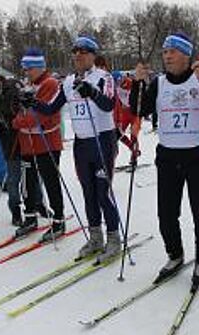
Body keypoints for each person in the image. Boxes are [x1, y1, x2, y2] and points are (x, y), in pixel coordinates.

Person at [131, 32, 199, 286]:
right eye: (164, 52)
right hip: (167, 156)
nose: (167, 56)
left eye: (172, 52)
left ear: (186, 54)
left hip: (198, 155)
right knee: (166, 213)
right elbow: (139, 110)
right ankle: (175, 255)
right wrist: (137, 84)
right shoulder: (160, 83)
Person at [32, 35, 121, 261]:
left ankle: (113, 238)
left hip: (102, 140)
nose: (78, 55)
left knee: (103, 193)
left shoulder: (104, 77)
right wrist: (31, 103)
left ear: (93, 55)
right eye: (75, 52)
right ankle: (95, 237)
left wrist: (91, 91)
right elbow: (52, 108)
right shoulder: (69, 81)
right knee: (88, 192)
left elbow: (109, 104)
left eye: (83, 52)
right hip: (82, 144)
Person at [0, 59, 47, 227]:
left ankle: (38, 203)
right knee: (13, 179)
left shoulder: (13, 85)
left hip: (27, 138)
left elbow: (21, 108)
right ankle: (15, 210)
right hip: (9, 142)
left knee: (33, 176)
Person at [12, 48, 65, 241]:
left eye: (30, 68)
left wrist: (19, 121)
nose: (26, 72)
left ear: (40, 67)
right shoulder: (27, 85)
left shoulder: (49, 83)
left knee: (50, 181)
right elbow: (19, 113)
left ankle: (59, 219)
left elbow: (41, 116)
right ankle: (30, 216)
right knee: (28, 181)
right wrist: (19, 120)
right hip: (27, 142)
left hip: (47, 143)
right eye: (25, 69)